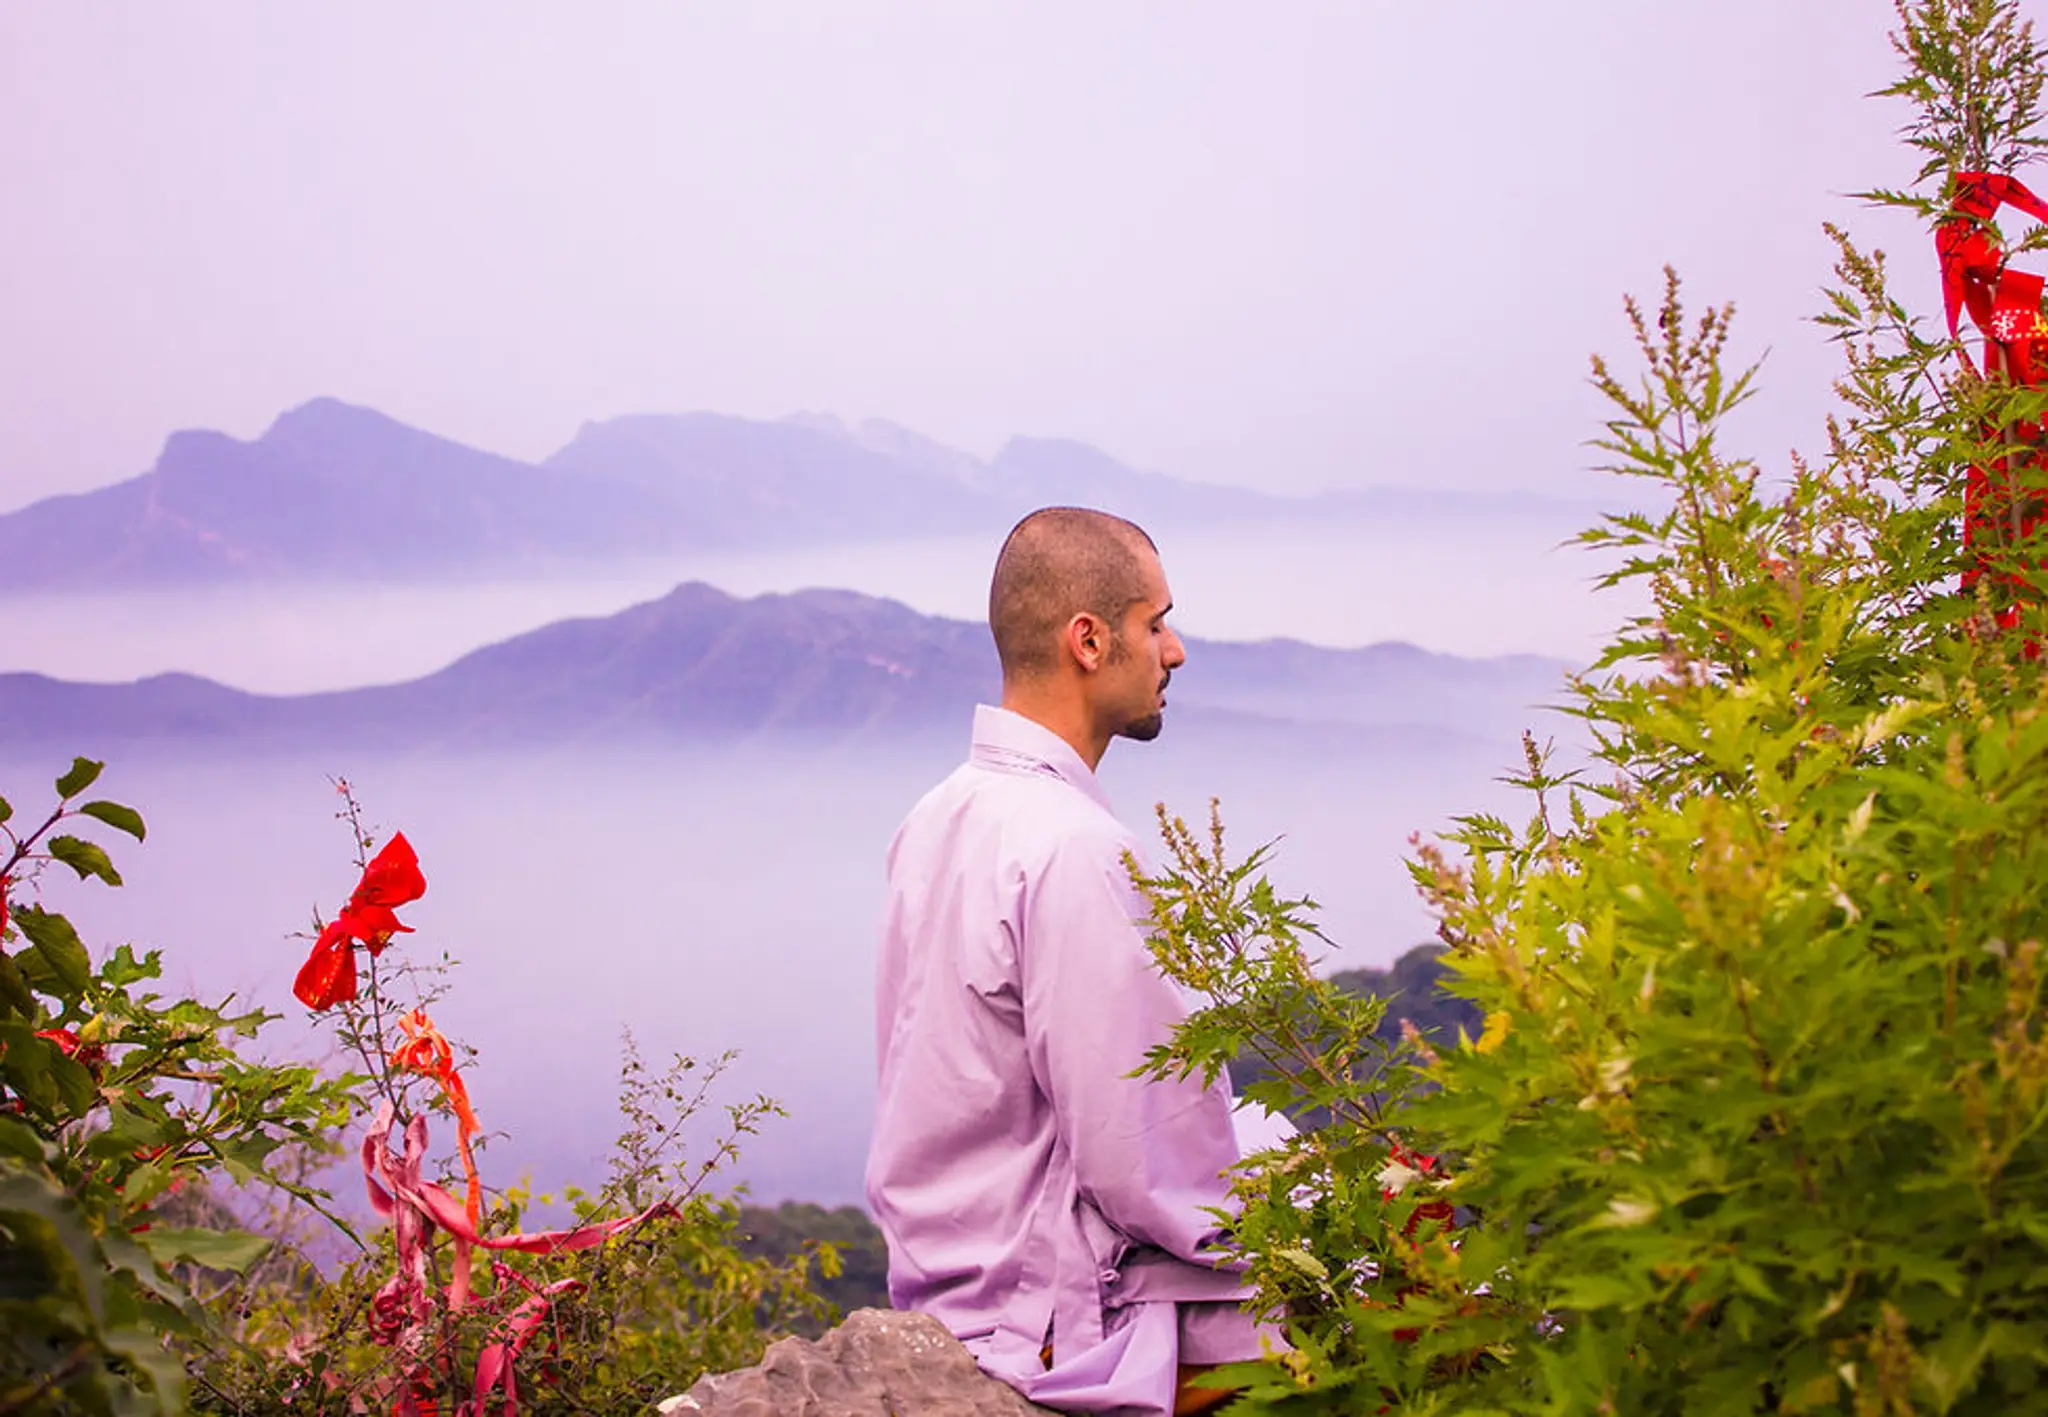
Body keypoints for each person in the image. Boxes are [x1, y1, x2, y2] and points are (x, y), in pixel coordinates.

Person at [865, 506, 1272, 1417]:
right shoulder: (1074, 851)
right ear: (1089, 640)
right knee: (1407, 1292)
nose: (1173, 651)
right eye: (1154, 623)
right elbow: (1145, 1161)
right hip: (1044, 1310)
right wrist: (1286, 1213)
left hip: (945, 1276)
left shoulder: (939, 814)